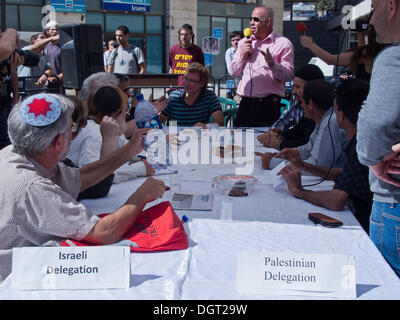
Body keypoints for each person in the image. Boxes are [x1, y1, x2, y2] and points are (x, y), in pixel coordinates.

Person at [0, 92, 165, 281]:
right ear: (59, 142)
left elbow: (81, 178)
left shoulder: (16, 153)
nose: (74, 134)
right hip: (14, 282)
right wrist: (142, 195)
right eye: (72, 128)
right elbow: (104, 232)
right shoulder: (32, 187)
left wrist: (130, 149)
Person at [278, 78, 372, 233]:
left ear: (340, 116)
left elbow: (335, 201)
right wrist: (302, 165)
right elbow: (343, 174)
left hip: (363, 224)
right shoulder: (364, 140)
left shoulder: (360, 146)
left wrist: (300, 192)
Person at [356, 0, 400, 277]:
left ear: (392, 7)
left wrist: (372, 160)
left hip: (393, 202)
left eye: (374, 8)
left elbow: (375, 125)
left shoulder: (393, 57)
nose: (370, 20)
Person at [68, 86, 154, 184]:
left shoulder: (111, 128)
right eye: (126, 110)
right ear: (114, 114)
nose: (126, 114)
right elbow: (94, 177)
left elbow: (130, 152)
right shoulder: (95, 134)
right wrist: (141, 168)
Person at [257, 79, 348, 170]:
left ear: (311, 104)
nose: (301, 106)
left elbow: (319, 166)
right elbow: (307, 151)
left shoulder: (330, 123)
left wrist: (274, 164)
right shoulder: (323, 119)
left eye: (302, 102)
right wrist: (284, 155)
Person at [230, 6, 294, 127]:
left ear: (268, 21)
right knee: (238, 142)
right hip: (245, 104)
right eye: (250, 19)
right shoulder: (244, 42)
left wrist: (273, 65)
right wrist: (243, 55)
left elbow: (288, 76)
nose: (251, 22)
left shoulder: (283, 44)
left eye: (256, 19)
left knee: (265, 143)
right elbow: (233, 72)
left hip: (268, 106)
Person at [257, 64, 324, 150]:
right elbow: (297, 130)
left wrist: (279, 144)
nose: (294, 92)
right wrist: (277, 134)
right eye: (293, 87)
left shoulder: (320, 113)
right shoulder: (299, 103)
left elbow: (306, 142)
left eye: (298, 87)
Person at [300, 25, 385, 83]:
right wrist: (360, 33)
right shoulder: (385, 51)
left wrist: (310, 44)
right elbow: (359, 52)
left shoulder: (367, 54)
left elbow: (331, 59)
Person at [160, 62, 223, 127]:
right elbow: (160, 119)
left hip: (199, 135)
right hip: (177, 135)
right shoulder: (174, 97)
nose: (187, 83)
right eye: (186, 78)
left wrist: (206, 126)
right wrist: (152, 110)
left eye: (192, 81)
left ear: (202, 83)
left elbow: (220, 122)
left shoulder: (209, 96)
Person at [0, 28, 23, 149]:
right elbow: (6, 49)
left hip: (2, 103)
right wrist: (11, 32)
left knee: (3, 142)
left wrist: (15, 95)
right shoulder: (4, 49)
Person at [43, 21, 62, 90]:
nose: (55, 32)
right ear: (47, 31)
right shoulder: (43, 47)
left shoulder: (63, 46)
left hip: (59, 83)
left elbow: (68, 67)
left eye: (57, 30)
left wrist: (57, 78)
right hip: (43, 82)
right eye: (53, 29)